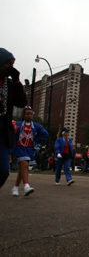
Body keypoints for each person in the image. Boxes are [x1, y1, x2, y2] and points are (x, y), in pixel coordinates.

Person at [0, 48, 27, 189]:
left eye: (12, 64)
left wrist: (16, 81)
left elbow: (22, 103)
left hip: (3, 132)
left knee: (3, 171)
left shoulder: (9, 84)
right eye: (8, 64)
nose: (11, 67)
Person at [12, 107, 49, 196]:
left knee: (23, 168)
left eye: (31, 114)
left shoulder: (36, 126)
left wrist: (35, 140)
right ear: (24, 115)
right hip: (20, 147)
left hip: (29, 148)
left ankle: (15, 187)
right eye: (27, 114)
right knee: (24, 165)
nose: (29, 116)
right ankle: (26, 186)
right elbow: (11, 133)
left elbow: (45, 134)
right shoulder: (18, 124)